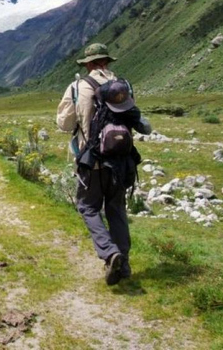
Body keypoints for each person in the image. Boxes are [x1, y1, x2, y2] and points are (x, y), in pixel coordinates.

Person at [56, 43, 150, 285]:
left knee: (87, 207)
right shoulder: (123, 87)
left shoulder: (78, 86)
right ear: (107, 62)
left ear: (88, 64)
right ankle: (124, 265)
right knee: (116, 210)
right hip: (121, 162)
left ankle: (109, 252)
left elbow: (64, 124)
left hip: (92, 162)